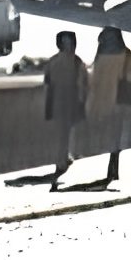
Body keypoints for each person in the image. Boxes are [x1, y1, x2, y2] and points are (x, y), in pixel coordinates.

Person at [85, 26, 131, 184]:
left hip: (103, 101)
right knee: (118, 134)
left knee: (109, 134)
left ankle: (111, 168)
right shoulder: (125, 53)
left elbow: (94, 79)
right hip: (119, 100)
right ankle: (114, 167)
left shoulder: (100, 53)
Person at [43, 30, 88, 183]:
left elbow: (47, 82)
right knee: (66, 131)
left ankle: (62, 158)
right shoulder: (77, 61)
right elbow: (83, 83)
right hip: (70, 99)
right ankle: (62, 160)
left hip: (58, 100)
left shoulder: (53, 61)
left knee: (62, 131)